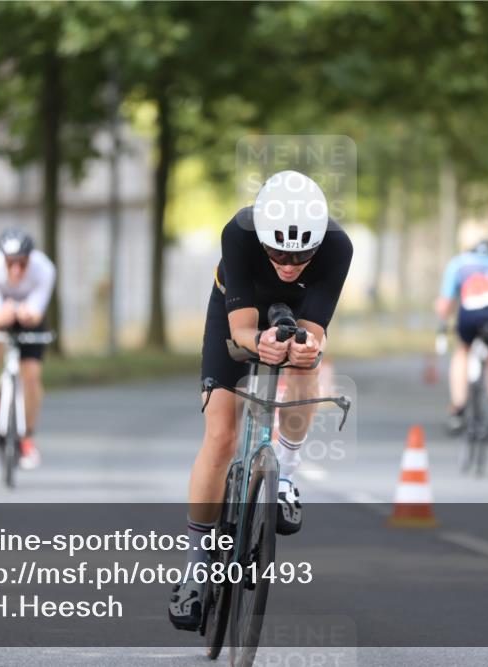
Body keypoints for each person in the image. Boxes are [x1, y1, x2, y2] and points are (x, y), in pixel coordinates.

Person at [168, 170, 353, 630]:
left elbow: (316, 328)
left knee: (306, 360)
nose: (289, 264)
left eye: (301, 255)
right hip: (237, 310)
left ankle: (285, 478)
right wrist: (258, 343)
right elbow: (240, 330)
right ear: (263, 239)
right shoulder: (240, 232)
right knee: (221, 434)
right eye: (279, 253)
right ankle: (195, 565)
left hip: (297, 310)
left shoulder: (338, 247)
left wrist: (306, 347)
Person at [0, 229, 56, 470]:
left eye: (23, 263)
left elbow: (37, 311)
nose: (17, 269)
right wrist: (2, 315)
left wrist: (28, 315)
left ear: (30, 259)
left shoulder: (45, 270)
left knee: (31, 377)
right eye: (12, 263)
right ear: (3, 260)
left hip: (28, 315)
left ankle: (27, 437)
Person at [435, 237, 488, 442]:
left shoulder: (459, 263)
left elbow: (445, 304)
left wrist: (443, 324)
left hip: (470, 315)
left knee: (462, 351)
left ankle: (458, 409)